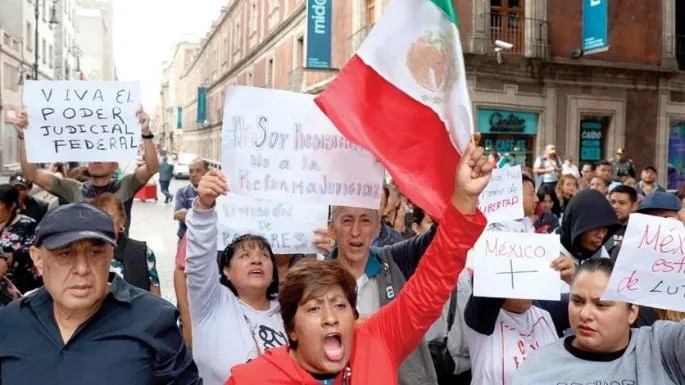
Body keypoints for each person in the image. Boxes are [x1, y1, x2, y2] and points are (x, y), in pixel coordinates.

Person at [225, 134, 491, 385]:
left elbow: (432, 281)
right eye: (314, 308)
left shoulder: (379, 342)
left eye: (340, 305)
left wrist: (464, 199)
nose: (330, 317)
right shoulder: (254, 378)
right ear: (291, 329)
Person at [0, 203, 201, 384]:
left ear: (111, 255)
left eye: (95, 253)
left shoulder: (155, 320)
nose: (82, 268)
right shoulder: (10, 323)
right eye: (65, 254)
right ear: (38, 259)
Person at [511, 258, 685, 384]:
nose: (585, 314)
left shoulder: (663, 347)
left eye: (601, 305)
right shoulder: (539, 366)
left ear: (632, 312)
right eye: (577, 301)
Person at [185, 171, 287, 385]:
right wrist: (204, 208)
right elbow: (199, 259)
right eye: (245, 256)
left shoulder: (290, 311)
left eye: (264, 256)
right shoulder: (211, 305)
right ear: (226, 271)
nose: (256, 261)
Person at [11, 110, 160, 236]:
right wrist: (23, 136)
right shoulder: (72, 189)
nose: (96, 159)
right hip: (82, 259)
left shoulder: (126, 186)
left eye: (103, 155)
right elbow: (31, 174)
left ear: (115, 165)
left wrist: (146, 132)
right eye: (93, 154)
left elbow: (151, 168)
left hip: (116, 260)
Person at [464, 221, 573, 385]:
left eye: (530, 270)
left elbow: (600, 302)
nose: (526, 283)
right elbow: (485, 286)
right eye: (519, 271)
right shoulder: (482, 319)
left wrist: (575, 278)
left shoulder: (546, 310)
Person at [90, 193, 162, 296]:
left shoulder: (143, 253)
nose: (105, 223)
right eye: (99, 218)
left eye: (110, 218)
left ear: (122, 221)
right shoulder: (85, 255)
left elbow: (157, 301)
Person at [554, 189, 621, 293]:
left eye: (606, 228)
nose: (601, 235)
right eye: (596, 228)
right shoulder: (548, 252)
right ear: (577, 225)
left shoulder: (600, 252)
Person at [0, 184, 40, 301]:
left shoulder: (27, 224)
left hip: (20, 288)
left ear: (12, 205)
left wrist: (9, 258)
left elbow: (33, 253)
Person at [606, 185, 638, 260]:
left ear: (634, 206)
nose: (616, 206)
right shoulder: (600, 228)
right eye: (612, 202)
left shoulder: (640, 231)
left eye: (622, 203)